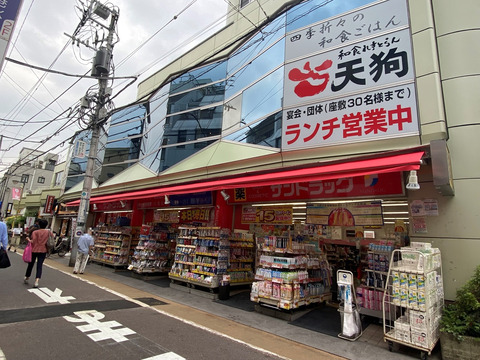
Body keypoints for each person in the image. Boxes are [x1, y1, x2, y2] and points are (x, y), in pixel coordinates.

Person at [24, 219, 52, 288]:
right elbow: (51, 239)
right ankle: (37, 280)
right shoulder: (48, 232)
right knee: (39, 265)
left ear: (39, 224)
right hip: (43, 250)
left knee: (31, 264)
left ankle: (27, 276)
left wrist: (28, 239)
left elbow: (33, 241)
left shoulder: (35, 232)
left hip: (34, 250)